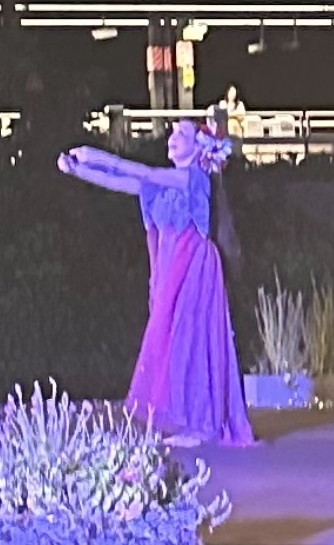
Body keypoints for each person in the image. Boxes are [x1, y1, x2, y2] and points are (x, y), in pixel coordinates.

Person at [58, 117, 255, 447]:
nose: (173, 137)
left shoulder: (193, 178)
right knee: (174, 344)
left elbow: (141, 172)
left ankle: (201, 425)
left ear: (199, 148)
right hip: (171, 270)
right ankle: (188, 419)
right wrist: (78, 170)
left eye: (182, 133)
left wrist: (94, 155)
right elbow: (120, 182)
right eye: (173, 132)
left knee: (190, 341)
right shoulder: (161, 185)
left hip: (195, 268)